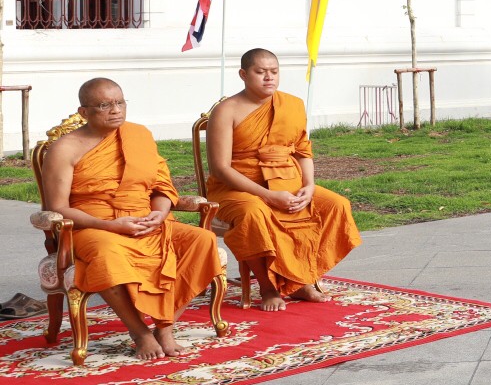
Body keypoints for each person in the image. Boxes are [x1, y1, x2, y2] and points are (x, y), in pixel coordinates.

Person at [42, 79, 225, 361]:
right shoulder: (64, 149)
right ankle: (140, 333)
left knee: (202, 240)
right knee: (106, 253)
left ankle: (165, 326)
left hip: (147, 220)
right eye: (104, 105)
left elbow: (162, 187)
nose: (115, 110)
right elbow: (58, 207)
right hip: (94, 225)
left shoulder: (138, 135)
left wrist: (160, 213)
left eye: (120, 102)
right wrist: (109, 225)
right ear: (84, 111)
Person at [205, 49, 362, 310]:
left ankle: (300, 279)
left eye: (274, 72)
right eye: (260, 72)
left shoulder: (292, 104)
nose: (269, 77)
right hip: (236, 187)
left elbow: (302, 151)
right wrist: (267, 195)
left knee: (336, 205)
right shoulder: (227, 110)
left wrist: (309, 186)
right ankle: (267, 288)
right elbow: (220, 169)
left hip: (288, 181)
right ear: (243, 74)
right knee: (254, 213)